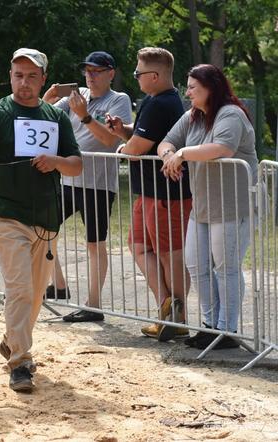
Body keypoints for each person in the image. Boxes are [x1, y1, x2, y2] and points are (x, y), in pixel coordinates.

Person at [0, 48, 82, 392]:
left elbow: (76, 164)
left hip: (46, 217)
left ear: (44, 79)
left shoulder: (56, 117)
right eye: (18, 75)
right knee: (19, 288)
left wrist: (56, 161)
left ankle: (12, 340)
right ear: (10, 75)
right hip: (7, 212)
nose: (24, 83)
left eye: (32, 76)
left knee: (33, 295)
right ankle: (20, 363)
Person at [159, 64, 258, 350]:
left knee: (225, 268)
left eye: (192, 87)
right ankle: (209, 325)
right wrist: (169, 155)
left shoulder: (231, 113)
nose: (187, 92)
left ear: (210, 88)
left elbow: (223, 148)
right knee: (196, 264)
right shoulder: (193, 116)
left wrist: (183, 153)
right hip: (203, 205)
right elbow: (166, 141)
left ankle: (227, 329)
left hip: (232, 205)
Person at [106, 47, 192, 341]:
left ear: (154, 76)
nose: (136, 77)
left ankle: (178, 318)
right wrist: (124, 130)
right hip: (150, 192)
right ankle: (166, 309)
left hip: (167, 194)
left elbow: (138, 149)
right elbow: (143, 137)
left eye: (139, 73)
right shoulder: (155, 101)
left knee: (171, 255)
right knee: (139, 246)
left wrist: (122, 148)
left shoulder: (160, 103)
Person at [42, 51, 132, 321]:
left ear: (110, 74)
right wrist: (46, 100)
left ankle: (94, 305)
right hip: (68, 178)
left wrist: (84, 116)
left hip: (97, 184)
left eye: (97, 71)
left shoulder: (119, 100)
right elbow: (46, 117)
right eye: (87, 71)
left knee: (95, 243)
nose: (90, 76)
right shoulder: (77, 96)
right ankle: (58, 285)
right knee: (42, 228)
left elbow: (109, 140)